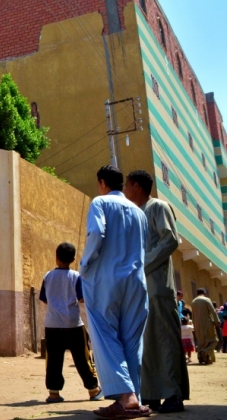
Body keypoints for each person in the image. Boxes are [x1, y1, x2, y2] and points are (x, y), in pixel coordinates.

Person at [80, 165, 150, 418]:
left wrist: (85, 264)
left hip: (105, 279)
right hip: (136, 281)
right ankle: (134, 399)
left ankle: (126, 396)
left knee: (105, 334)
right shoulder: (139, 212)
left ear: (102, 182)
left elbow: (97, 232)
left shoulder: (100, 202)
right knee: (132, 341)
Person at [124, 170, 189, 413]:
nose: (126, 190)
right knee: (146, 342)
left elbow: (170, 240)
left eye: (128, 185)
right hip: (140, 288)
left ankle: (173, 394)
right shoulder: (135, 214)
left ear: (137, 186)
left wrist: (144, 263)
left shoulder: (158, 207)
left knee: (164, 339)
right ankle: (151, 394)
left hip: (159, 286)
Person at [40, 243, 102, 403]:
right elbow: (81, 299)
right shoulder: (76, 276)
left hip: (52, 324)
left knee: (53, 359)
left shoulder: (47, 276)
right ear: (73, 259)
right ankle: (93, 390)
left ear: (56, 257)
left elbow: (44, 300)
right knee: (82, 358)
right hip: (73, 324)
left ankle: (53, 393)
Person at [191, 288, 219, 365]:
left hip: (197, 324)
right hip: (207, 323)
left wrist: (194, 324)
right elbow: (213, 311)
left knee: (201, 342)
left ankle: (201, 358)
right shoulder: (206, 300)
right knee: (214, 340)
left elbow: (193, 315)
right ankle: (206, 352)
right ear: (204, 293)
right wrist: (217, 321)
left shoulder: (193, 302)